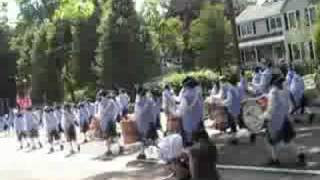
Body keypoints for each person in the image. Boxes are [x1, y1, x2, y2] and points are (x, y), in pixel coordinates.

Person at [261, 74, 305, 165]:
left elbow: (271, 108)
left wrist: (264, 117)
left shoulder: (273, 92)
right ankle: (277, 158)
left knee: (274, 141)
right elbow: (288, 104)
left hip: (275, 122)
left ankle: (296, 155)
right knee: (283, 141)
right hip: (284, 118)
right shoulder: (284, 90)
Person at [177, 78, 203, 146]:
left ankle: (190, 144)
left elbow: (183, 109)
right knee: (197, 131)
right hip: (197, 115)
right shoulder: (197, 92)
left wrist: (176, 112)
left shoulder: (186, 95)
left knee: (189, 134)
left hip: (188, 118)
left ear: (186, 86)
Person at [220, 74, 241, 144]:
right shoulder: (236, 87)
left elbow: (229, 100)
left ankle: (235, 140)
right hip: (237, 107)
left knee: (233, 125)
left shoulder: (230, 89)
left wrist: (222, 103)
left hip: (232, 109)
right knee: (236, 124)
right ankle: (235, 138)